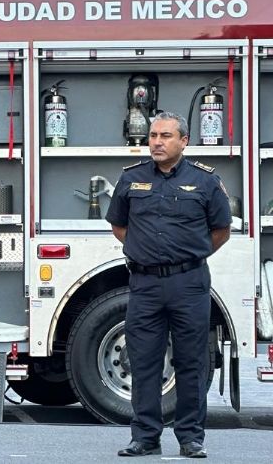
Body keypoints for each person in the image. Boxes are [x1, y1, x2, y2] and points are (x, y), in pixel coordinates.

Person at [106, 112, 231, 459]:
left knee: (191, 363)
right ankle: (145, 437)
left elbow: (221, 230)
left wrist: (189, 255)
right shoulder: (131, 179)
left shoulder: (205, 181)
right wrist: (145, 252)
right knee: (143, 361)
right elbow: (119, 226)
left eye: (165, 136)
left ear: (184, 141)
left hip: (189, 283)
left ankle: (191, 437)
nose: (157, 142)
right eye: (153, 136)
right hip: (144, 284)